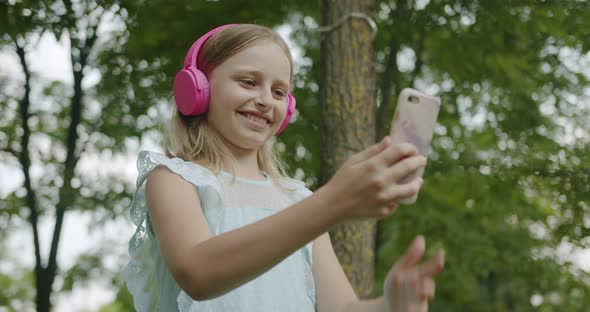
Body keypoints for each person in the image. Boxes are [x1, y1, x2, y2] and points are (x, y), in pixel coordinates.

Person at [122, 23, 445, 312]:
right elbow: (198, 272)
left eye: (279, 92)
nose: (266, 100)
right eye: (248, 82)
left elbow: (342, 307)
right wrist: (333, 202)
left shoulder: (298, 199)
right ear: (198, 89)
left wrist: (392, 305)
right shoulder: (175, 179)